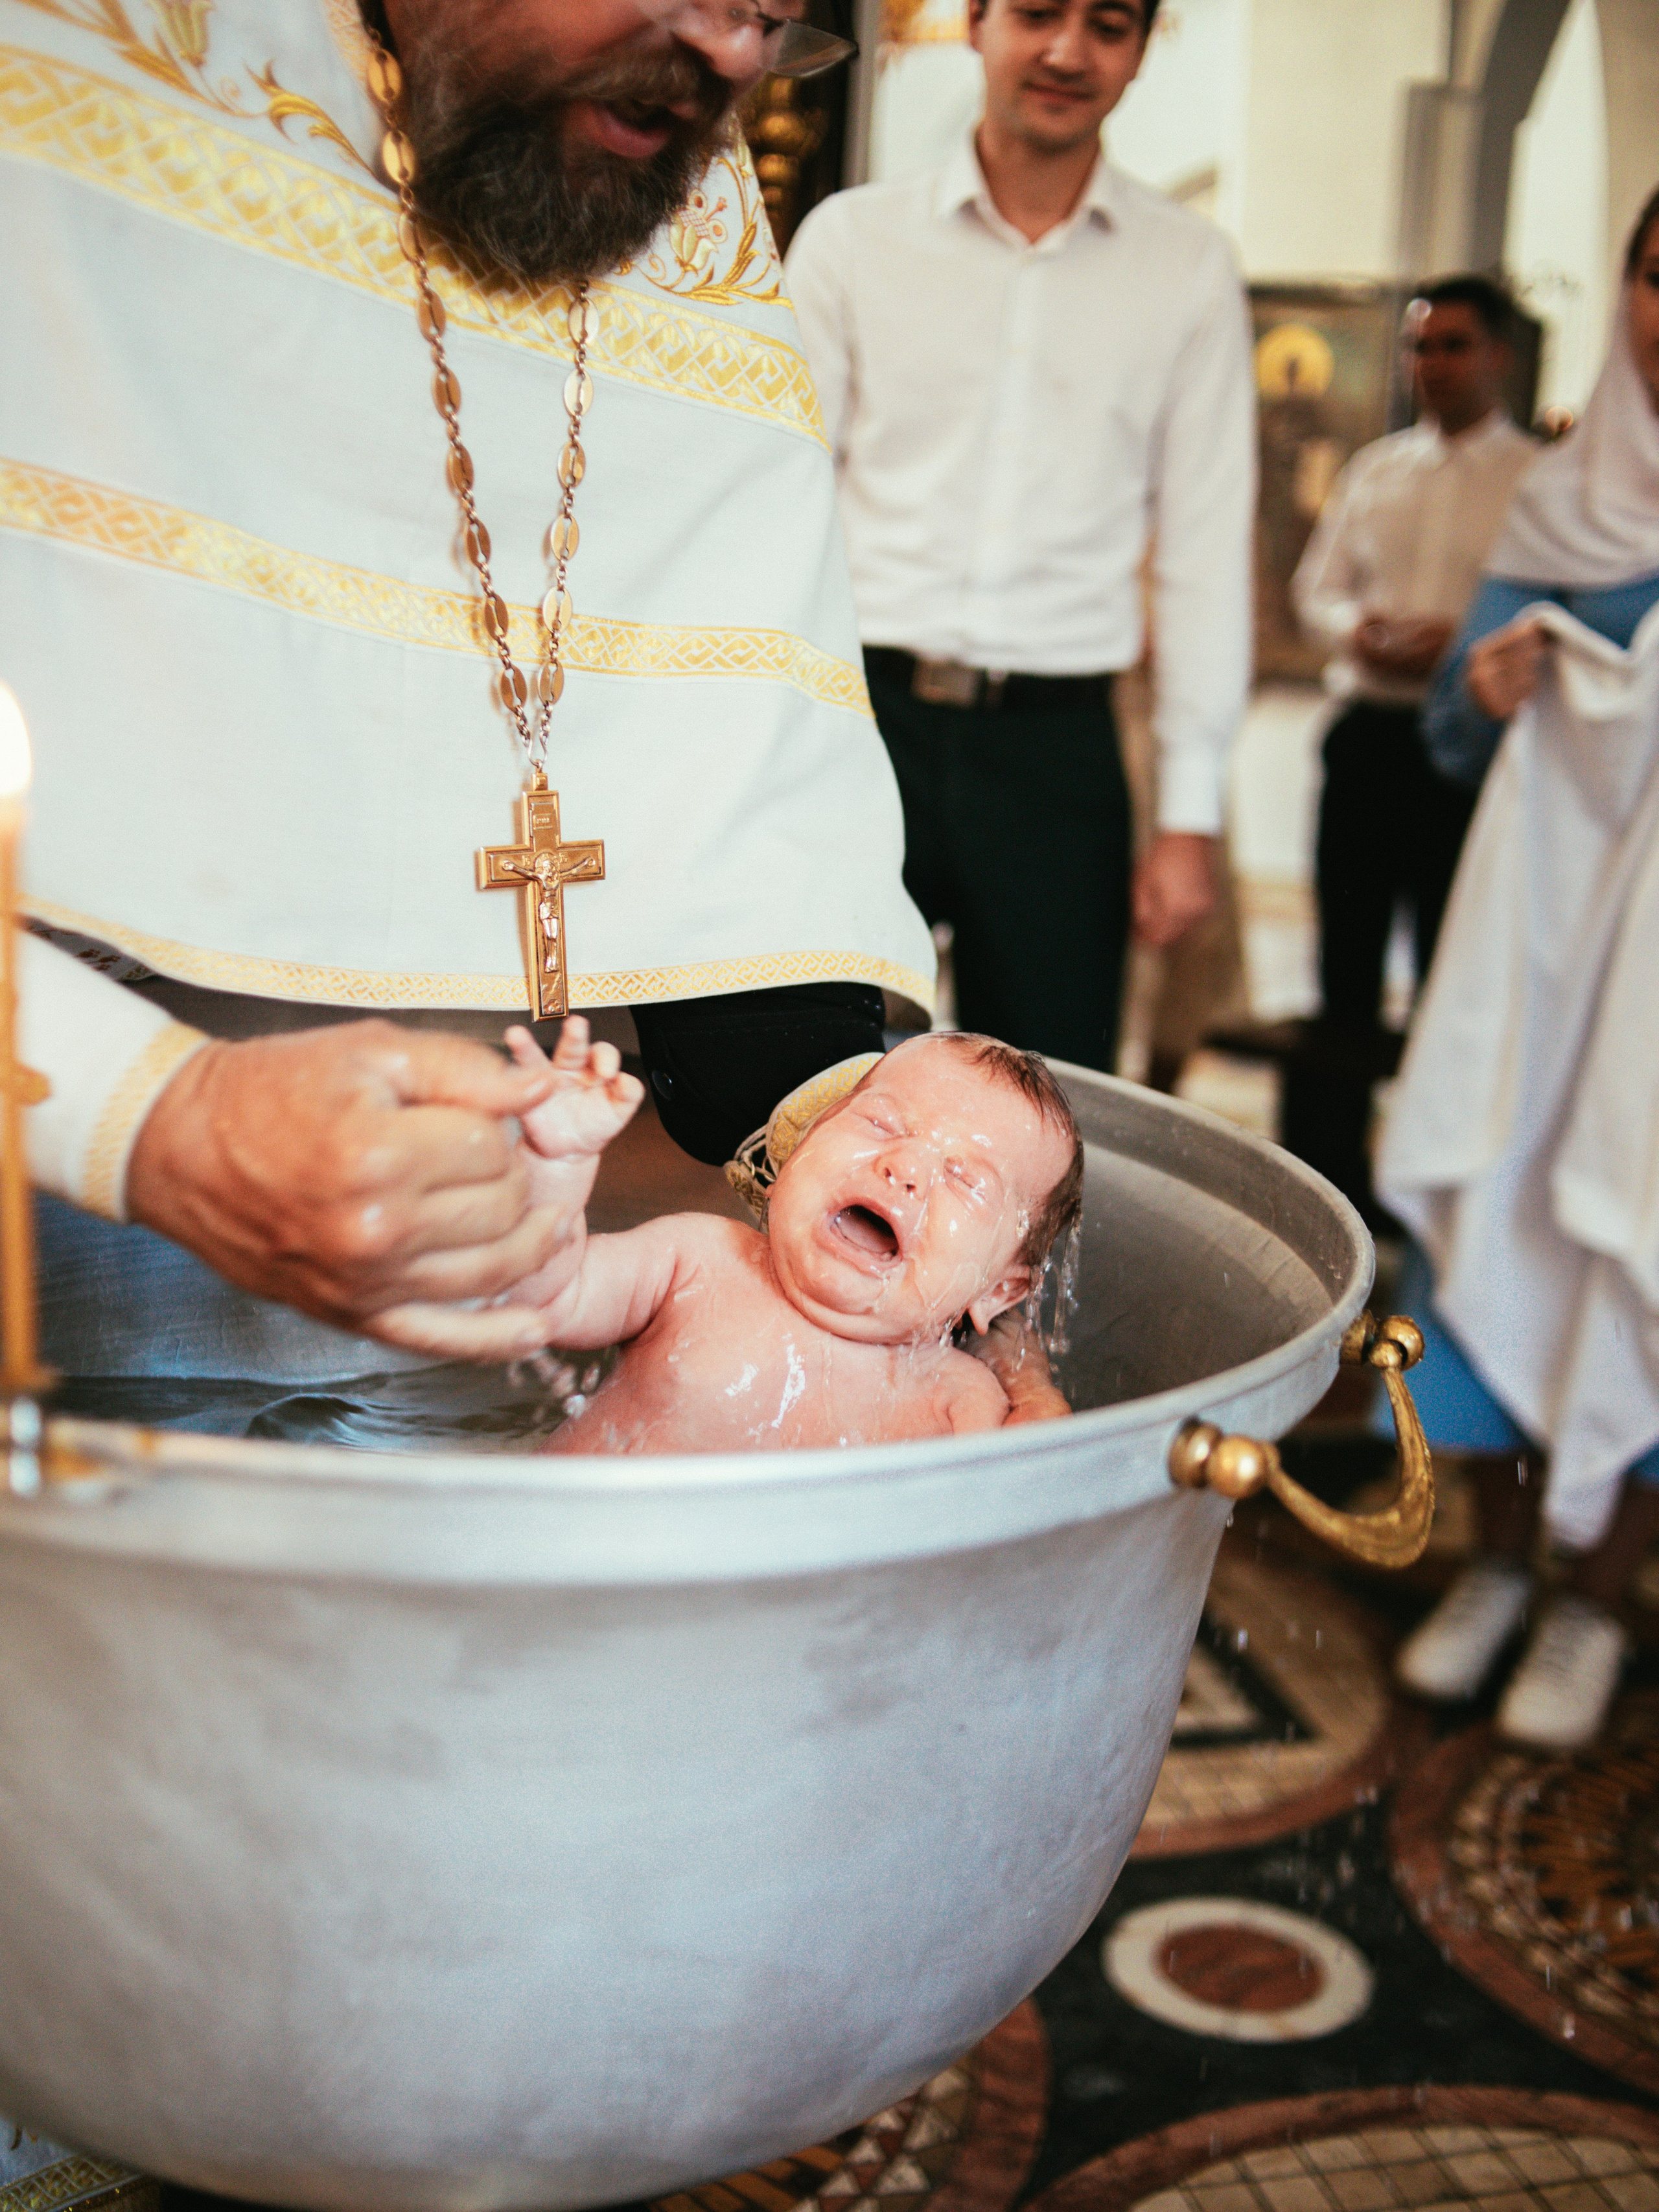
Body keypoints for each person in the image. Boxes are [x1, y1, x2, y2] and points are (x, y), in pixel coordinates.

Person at [0, 0, 933, 1423]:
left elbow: (738, 768)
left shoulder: (657, 157)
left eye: (774, 11)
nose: (736, 55)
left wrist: (846, 1148)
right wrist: (149, 1116)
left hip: (543, 1340)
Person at [782, 0, 1253, 1074]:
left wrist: (1187, 813)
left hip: (1057, 753)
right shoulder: (853, 240)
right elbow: (783, 499)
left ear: (1140, 48)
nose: (1068, 52)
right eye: (1037, 13)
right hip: (863, 725)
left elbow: (1202, 552)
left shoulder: (1187, 269)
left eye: (1110, 25)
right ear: (976, 24)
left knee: (1045, 1099)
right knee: (813, 1070)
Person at [1379, 187, 1659, 1749]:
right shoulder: (1561, 505)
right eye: (1655, 281)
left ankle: (1594, 1594)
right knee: (1491, 1205)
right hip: (1538, 949)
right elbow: (1440, 737)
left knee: (1642, 1239)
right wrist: (1482, 691)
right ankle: (1491, 1560)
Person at [481, 1018, 1080, 1450]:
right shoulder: (696, 1261)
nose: (907, 1168)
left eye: (965, 1180)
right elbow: (538, 1299)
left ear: (1000, 1290)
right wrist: (555, 1168)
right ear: (792, 1158)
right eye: (880, 1122)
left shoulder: (959, 1402)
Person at [1285, 277, 1537, 1224]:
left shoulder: (1538, 481)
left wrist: (1461, 639)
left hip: (1468, 752)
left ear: (1501, 355)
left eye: (1455, 346)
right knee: (1341, 966)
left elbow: (1545, 614)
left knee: (1451, 964)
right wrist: (1363, 630)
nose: (1432, 365)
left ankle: (1426, 1183)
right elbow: (1317, 591)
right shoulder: (1376, 470)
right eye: (1421, 347)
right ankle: (1325, 1189)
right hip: (1368, 740)